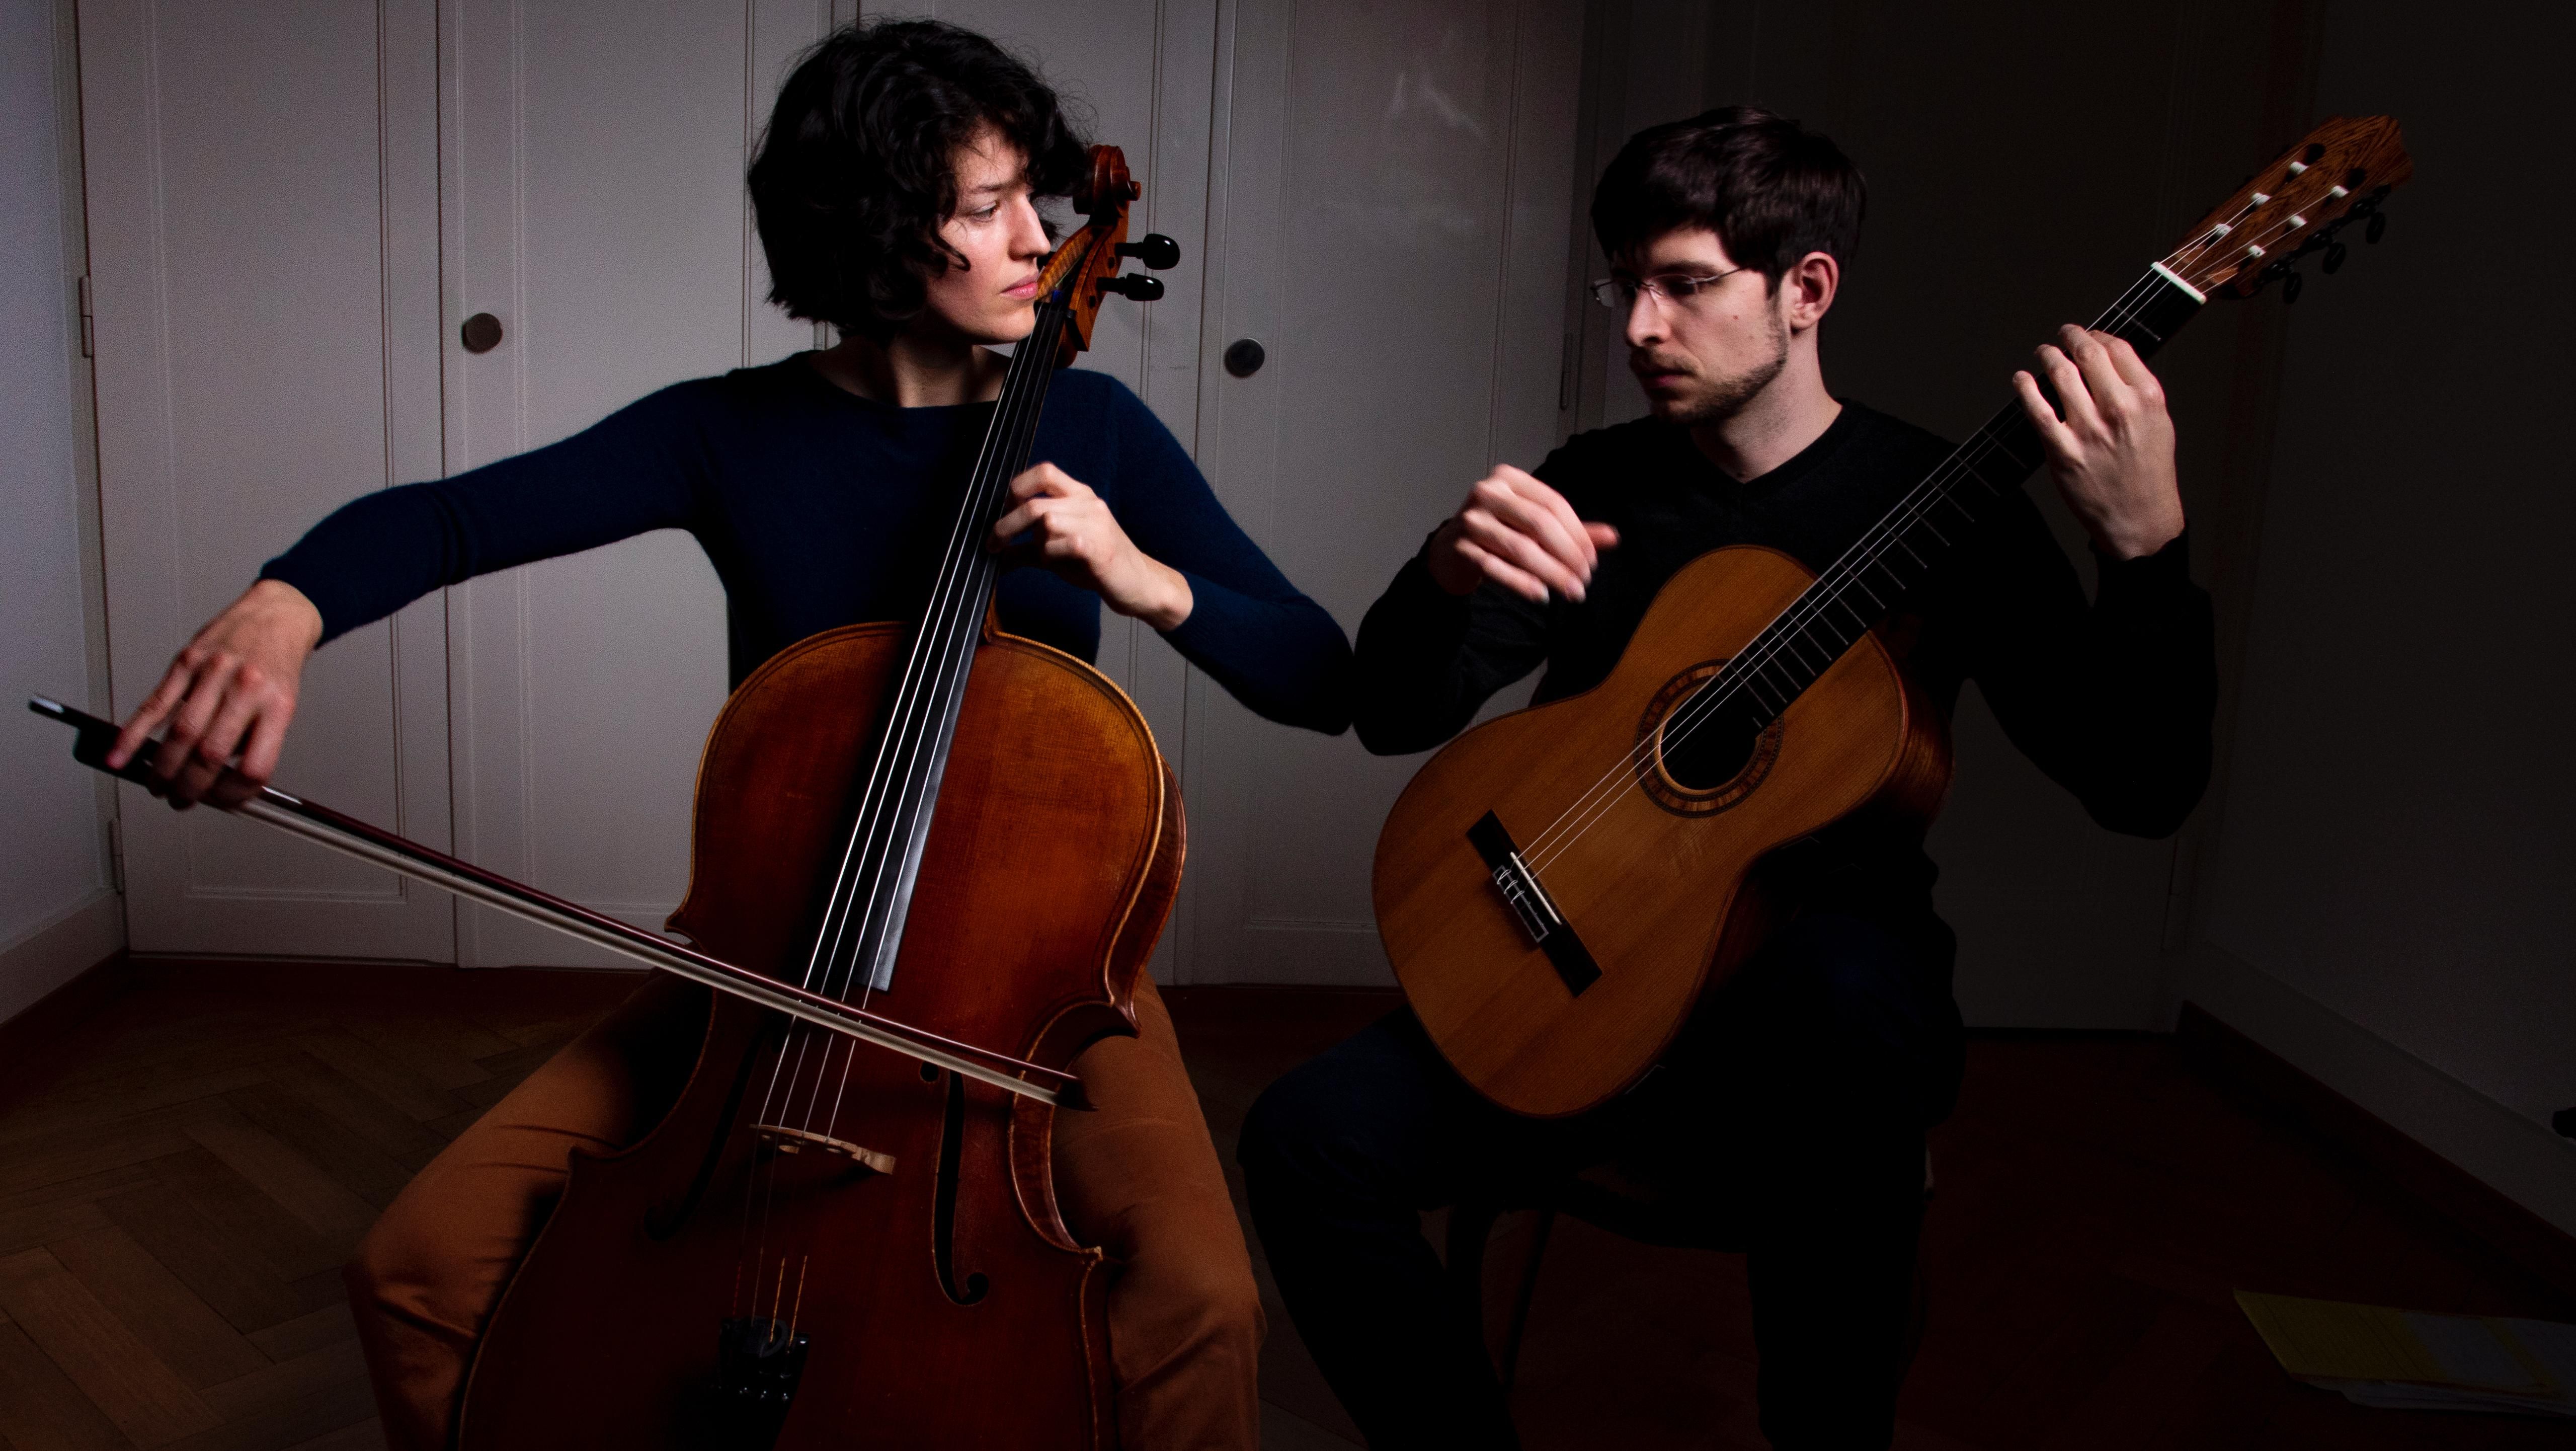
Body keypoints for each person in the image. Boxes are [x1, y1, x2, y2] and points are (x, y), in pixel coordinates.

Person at [107, 20, 1348, 1451]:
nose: (1037, 236)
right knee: (416, 1268)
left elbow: (1319, 674)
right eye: (984, 203)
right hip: (773, 966)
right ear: (881, 231)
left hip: (1049, 988)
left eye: (1034, 197)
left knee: (1202, 1302)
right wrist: (288, 602)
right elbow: (454, 518)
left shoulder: (1105, 430)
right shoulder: (728, 434)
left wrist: (1144, 577)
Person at [1238, 107, 2216, 1449]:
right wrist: (1445, 570)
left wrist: (2148, 553)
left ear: (1806, 288)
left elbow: (2143, 783)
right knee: (1304, 1140)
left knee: (1846, 999)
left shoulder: (1950, 504)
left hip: (1804, 1041)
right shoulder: (1595, 481)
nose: (1641, 326)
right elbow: (1395, 713)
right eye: (1624, 284)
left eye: (1686, 285)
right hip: (1581, 975)